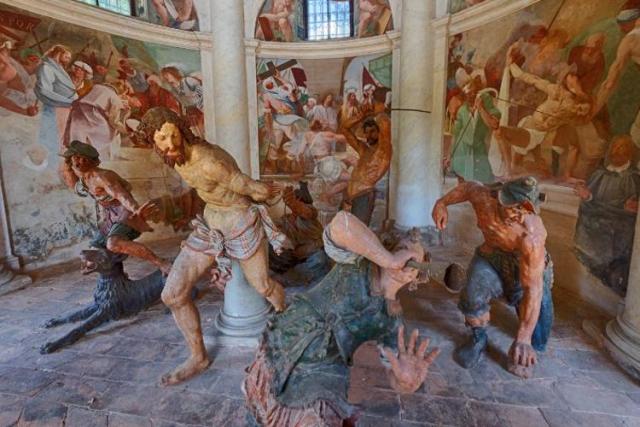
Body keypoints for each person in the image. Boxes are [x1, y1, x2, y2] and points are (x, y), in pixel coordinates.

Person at [137, 107, 289, 385]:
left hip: (239, 219)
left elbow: (246, 186)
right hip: (211, 222)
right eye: (162, 139)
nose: (170, 144)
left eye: (173, 135)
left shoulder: (209, 161)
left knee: (263, 286)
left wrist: (269, 191)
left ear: (182, 131)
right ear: (152, 141)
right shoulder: (176, 158)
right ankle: (198, 357)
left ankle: (290, 326)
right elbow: (201, 189)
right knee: (172, 294)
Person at [244, 211, 439, 426]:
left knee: (314, 418)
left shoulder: (391, 320)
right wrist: (389, 260)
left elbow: (393, 369)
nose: (409, 264)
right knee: (261, 404)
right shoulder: (357, 262)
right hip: (289, 336)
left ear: (417, 276)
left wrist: (404, 383)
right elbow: (341, 223)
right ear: (388, 248)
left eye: (416, 262)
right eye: (403, 251)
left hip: (324, 366)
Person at [432, 176, 553, 378]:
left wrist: (524, 338)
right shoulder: (484, 199)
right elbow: (467, 188)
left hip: (526, 267)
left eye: (524, 211)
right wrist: (441, 203)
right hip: (490, 258)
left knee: (538, 338)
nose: (518, 217)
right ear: (500, 199)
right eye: (514, 209)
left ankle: (527, 341)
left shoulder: (532, 237)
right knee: (472, 295)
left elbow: (533, 288)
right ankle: (478, 338)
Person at [59, 140, 171, 274]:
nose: (77, 162)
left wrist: (136, 210)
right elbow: (74, 186)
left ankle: (161, 263)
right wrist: (67, 164)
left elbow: (121, 195)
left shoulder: (102, 177)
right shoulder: (85, 179)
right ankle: (116, 274)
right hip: (110, 216)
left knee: (113, 244)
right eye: (74, 158)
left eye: (81, 158)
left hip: (125, 214)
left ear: (89, 160)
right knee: (92, 253)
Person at [574, 135, 640, 296]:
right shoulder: (598, 174)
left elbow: (629, 210)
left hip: (617, 230)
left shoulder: (633, 178)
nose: (617, 150)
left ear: (630, 152)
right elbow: (587, 203)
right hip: (592, 223)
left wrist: (591, 199)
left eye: (622, 147)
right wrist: (587, 197)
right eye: (614, 146)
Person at [593, 2, 640, 148]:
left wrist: (595, 109)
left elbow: (611, 80)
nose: (620, 29)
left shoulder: (630, 40)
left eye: (622, 24)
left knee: (637, 133)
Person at [340, 113, 392, 225]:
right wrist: (359, 116)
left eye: (372, 131)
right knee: (344, 229)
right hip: (350, 196)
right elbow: (344, 129)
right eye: (367, 132)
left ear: (379, 132)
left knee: (358, 231)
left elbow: (384, 123)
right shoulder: (364, 150)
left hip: (363, 195)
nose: (369, 135)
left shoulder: (383, 151)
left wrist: (376, 112)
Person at [449, 75, 500, 183]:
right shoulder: (462, 111)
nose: (471, 95)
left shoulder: (487, 105)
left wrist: (481, 108)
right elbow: (455, 134)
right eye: (467, 93)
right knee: (462, 182)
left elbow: (494, 125)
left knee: (485, 180)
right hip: (462, 150)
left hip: (478, 150)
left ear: (478, 93)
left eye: (474, 92)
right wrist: (451, 156)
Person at [34, 44, 77, 164]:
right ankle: (46, 164)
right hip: (54, 108)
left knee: (59, 139)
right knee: (51, 139)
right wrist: (69, 101)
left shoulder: (59, 68)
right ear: (59, 54)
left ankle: (54, 164)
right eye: (66, 57)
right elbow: (44, 90)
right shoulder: (47, 67)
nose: (68, 60)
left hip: (64, 109)